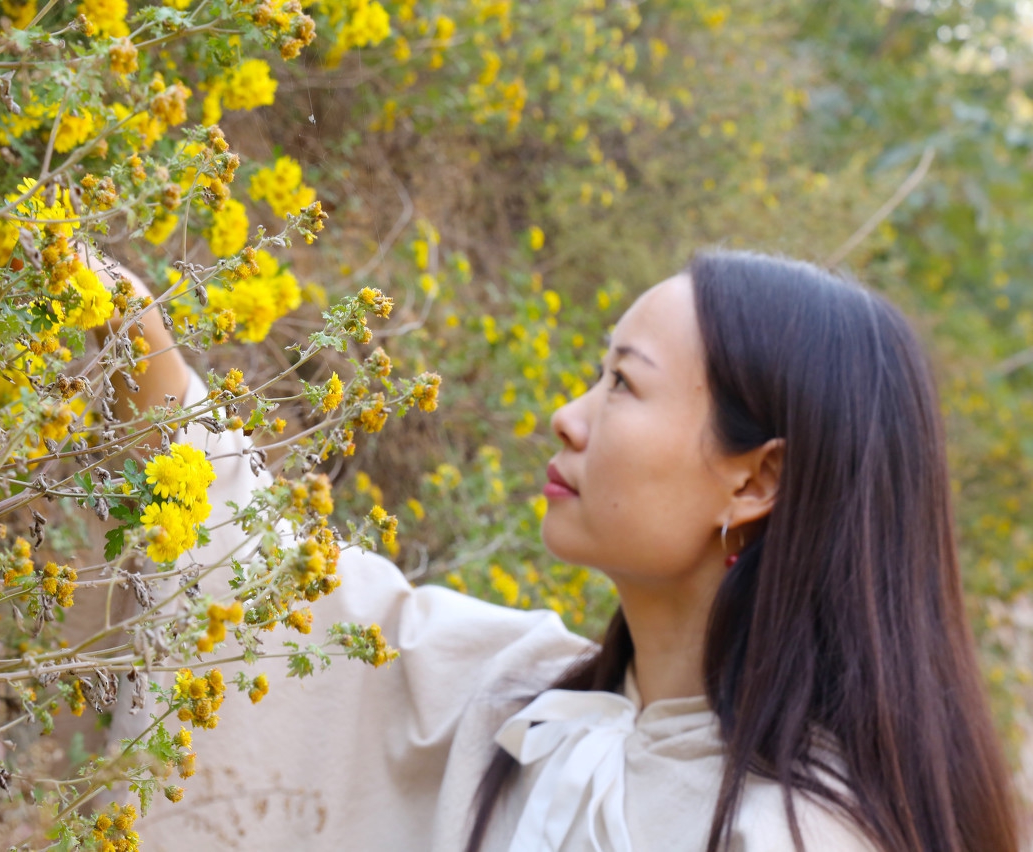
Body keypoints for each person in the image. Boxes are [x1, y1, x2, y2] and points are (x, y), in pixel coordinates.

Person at [90, 247, 1021, 851]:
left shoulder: (794, 835)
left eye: (623, 384)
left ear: (755, 481)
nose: (568, 417)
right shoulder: (527, 707)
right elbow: (297, 607)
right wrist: (134, 339)